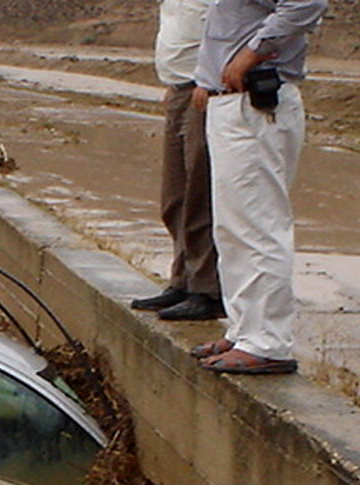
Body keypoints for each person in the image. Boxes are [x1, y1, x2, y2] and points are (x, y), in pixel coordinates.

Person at [189, 0, 327, 374]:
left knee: (258, 225)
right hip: (233, 104)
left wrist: (250, 54)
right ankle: (245, 330)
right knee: (233, 226)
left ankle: (266, 341)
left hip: (254, 102)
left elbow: (307, 3)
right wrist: (208, 78)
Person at [130, 0, 224, 321]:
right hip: (180, 89)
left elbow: (230, 32)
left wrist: (209, 81)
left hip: (205, 89)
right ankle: (182, 281)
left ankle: (207, 290)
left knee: (200, 193)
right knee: (176, 198)